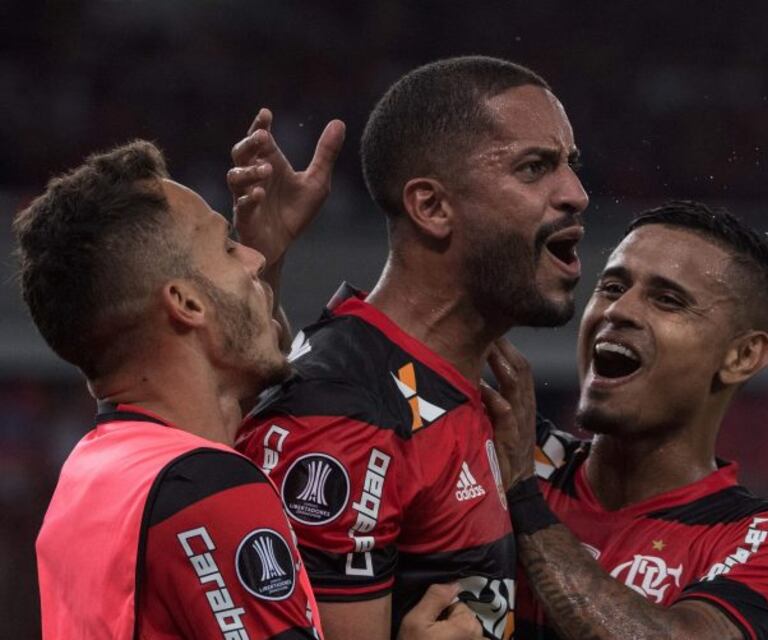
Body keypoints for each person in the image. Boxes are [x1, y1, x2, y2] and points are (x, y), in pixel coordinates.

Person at [19, 140, 482, 640]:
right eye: (227, 246)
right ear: (186, 304)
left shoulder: (89, 475)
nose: (255, 257)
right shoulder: (207, 490)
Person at [228, 55, 589, 640]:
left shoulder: (465, 388)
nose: (576, 194)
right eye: (534, 168)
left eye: (571, 165)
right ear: (431, 207)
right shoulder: (344, 417)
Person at [482, 201, 768, 639]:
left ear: (742, 356)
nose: (618, 310)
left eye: (668, 300)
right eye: (612, 287)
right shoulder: (505, 442)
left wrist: (523, 498)